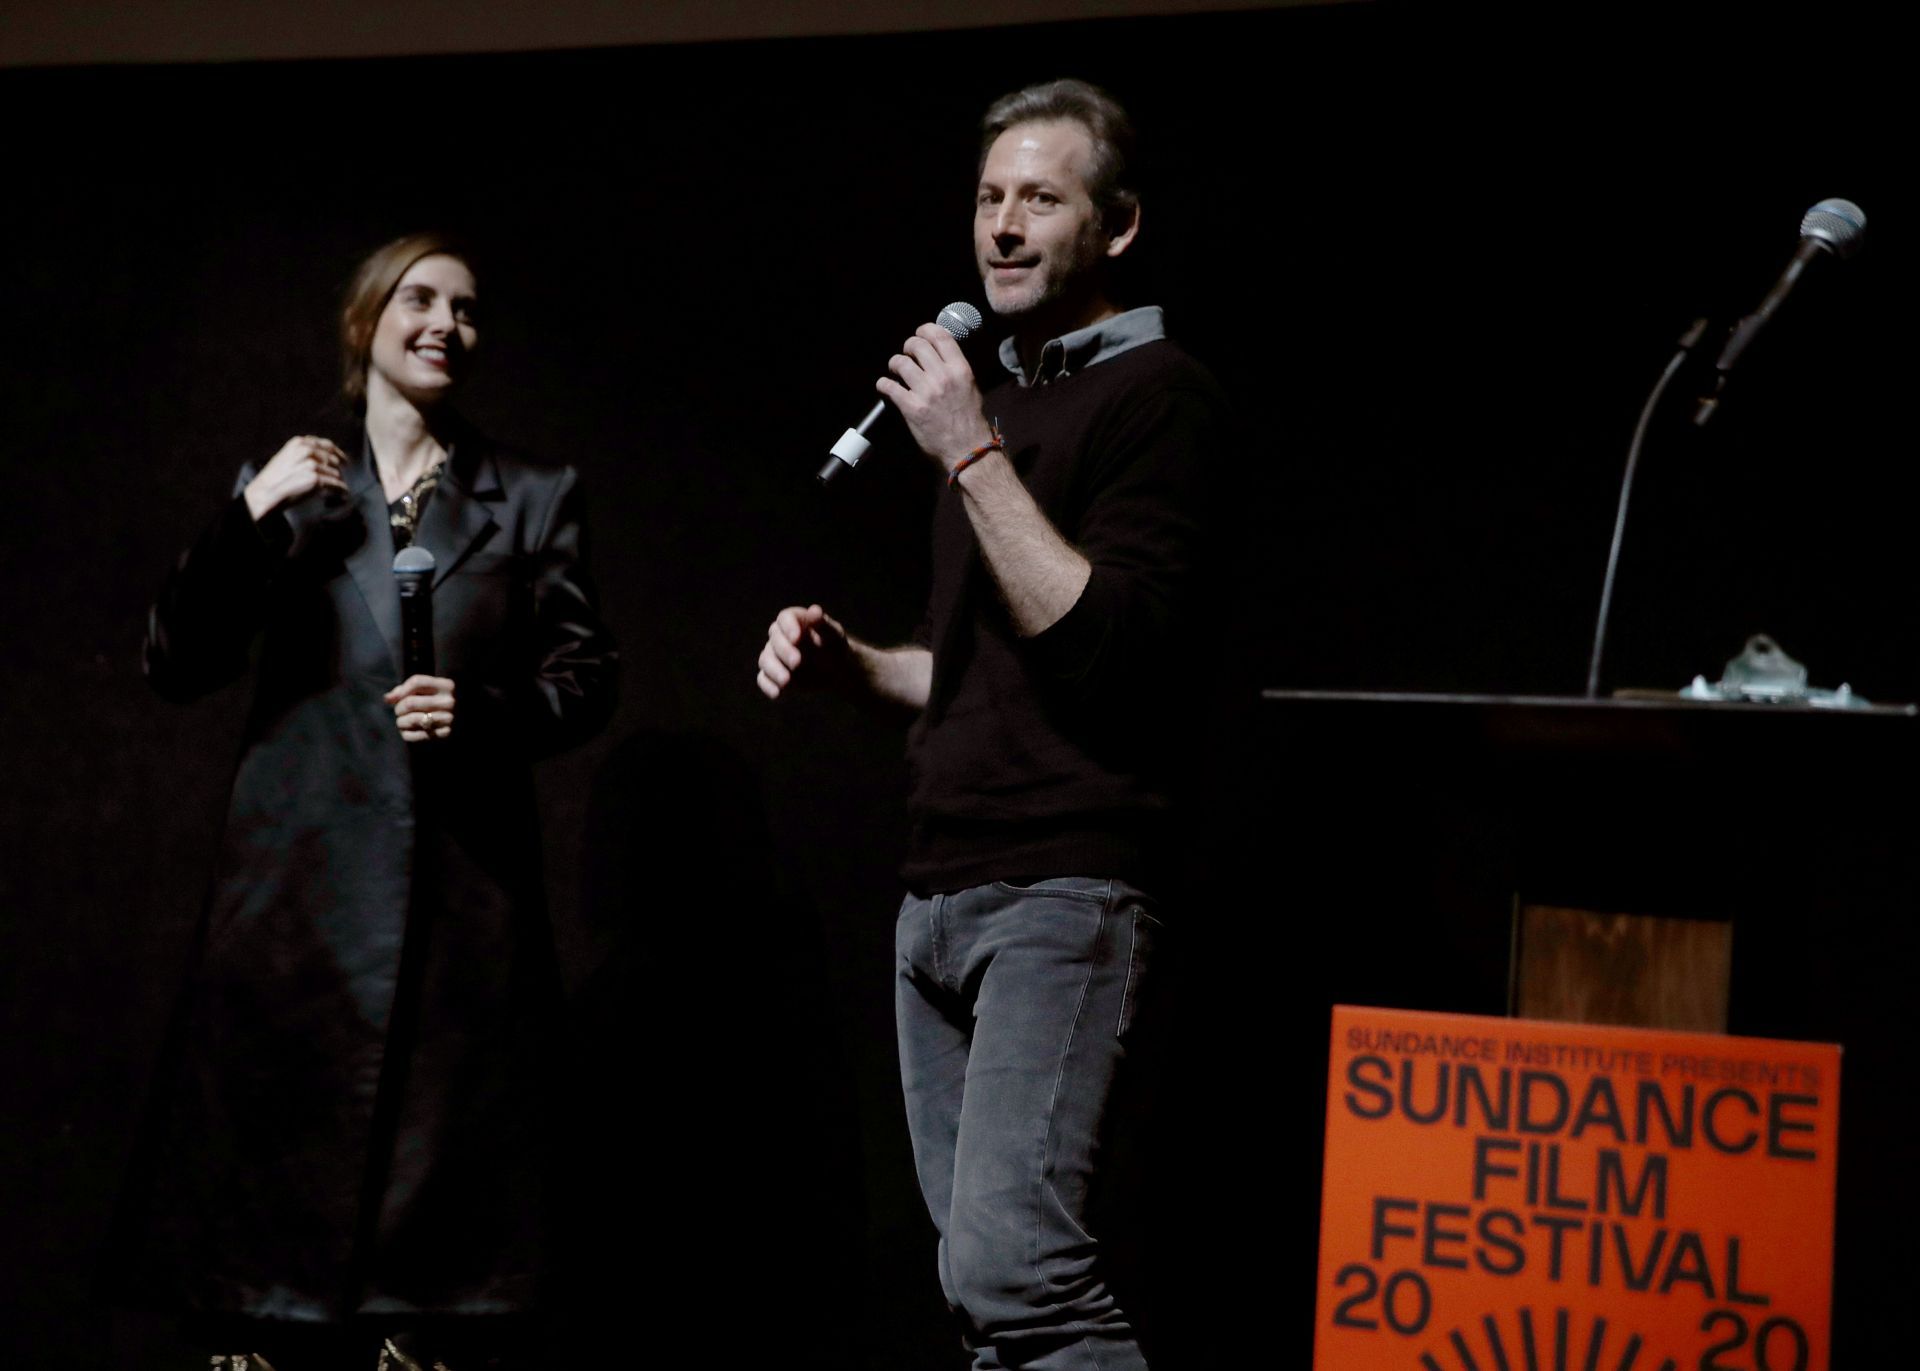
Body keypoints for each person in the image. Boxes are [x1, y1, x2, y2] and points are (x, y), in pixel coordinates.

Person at [757, 80, 1228, 1370]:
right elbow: (981, 669)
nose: (1004, 228)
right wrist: (856, 663)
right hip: (936, 895)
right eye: (989, 199)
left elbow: (1105, 648)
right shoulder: (1000, 407)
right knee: (976, 1298)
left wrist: (969, 453)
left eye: (1043, 198)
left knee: (1020, 1270)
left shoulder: (1158, 397)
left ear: (1117, 226)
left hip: (1063, 891)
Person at [113, 233, 618, 1371]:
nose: (447, 323)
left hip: (460, 898)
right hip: (293, 896)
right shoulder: (286, 481)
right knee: (270, 1225)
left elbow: (588, 681)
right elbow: (175, 661)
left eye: (469, 309)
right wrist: (251, 518)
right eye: (421, 299)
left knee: (434, 1245)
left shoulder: (534, 494)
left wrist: (483, 711)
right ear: (366, 324)